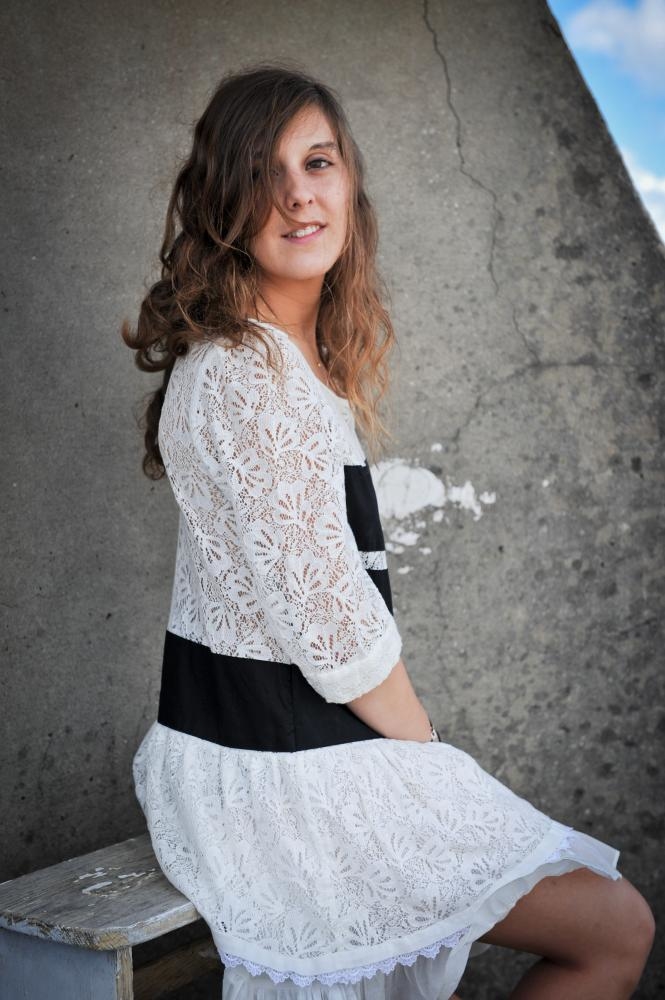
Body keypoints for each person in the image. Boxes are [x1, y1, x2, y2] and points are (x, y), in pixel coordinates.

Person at [122, 64, 655, 1000]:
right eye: (263, 171)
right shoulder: (248, 375)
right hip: (269, 763)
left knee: (606, 920)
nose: (297, 194)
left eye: (317, 162)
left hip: (292, 738)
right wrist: (427, 751)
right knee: (614, 929)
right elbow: (335, 636)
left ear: (349, 182)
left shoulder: (286, 361)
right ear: (221, 203)